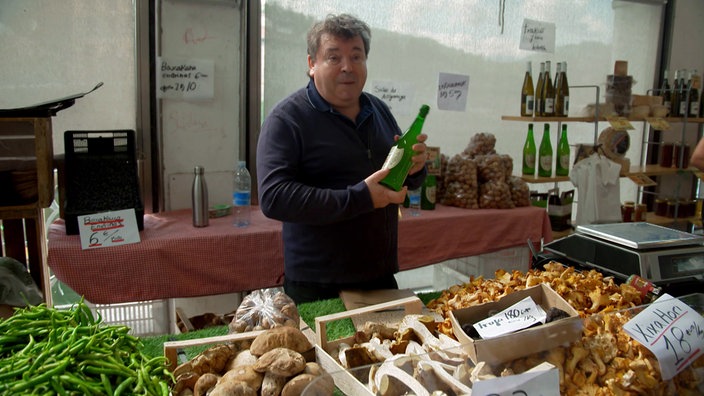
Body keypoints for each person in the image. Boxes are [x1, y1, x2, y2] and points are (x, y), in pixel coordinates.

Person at [256, 13, 428, 304]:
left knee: (394, 349)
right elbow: (274, 197)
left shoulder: (379, 111)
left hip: (379, 275)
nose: (347, 67)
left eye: (356, 57)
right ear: (312, 64)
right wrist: (361, 198)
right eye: (333, 58)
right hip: (318, 284)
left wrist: (416, 169)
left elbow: (395, 177)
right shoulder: (287, 119)